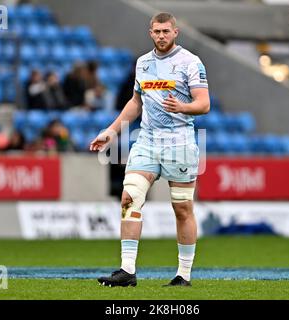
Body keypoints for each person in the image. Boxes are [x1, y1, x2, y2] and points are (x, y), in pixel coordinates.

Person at [90, 12, 210, 287]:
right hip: (147, 141)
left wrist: (183, 107)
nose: (161, 36)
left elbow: (203, 104)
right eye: (156, 31)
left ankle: (184, 274)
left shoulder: (190, 62)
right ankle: (127, 271)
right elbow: (135, 102)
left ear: (175, 32)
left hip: (179, 142)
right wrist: (111, 131)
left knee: (182, 209)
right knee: (129, 198)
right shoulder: (143, 64)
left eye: (166, 31)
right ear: (150, 33)